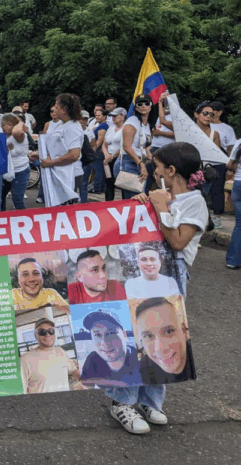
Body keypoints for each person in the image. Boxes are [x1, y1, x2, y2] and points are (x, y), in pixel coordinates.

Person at [106, 141, 208, 435]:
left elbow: (177, 241)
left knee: (164, 337)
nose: (154, 172)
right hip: (142, 274)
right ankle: (122, 401)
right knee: (136, 334)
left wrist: (161, 207)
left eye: (158, 167)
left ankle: (151, 401)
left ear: (171, 170)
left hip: (172, 276)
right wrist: (141, 205)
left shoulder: (194, 202)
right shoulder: (160, 195)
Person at [36, 93, 83, 206]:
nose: (54, 110)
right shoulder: (63, 125)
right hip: (59, 173)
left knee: (64, 210)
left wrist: (51, 162)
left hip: (68, 175)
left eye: (56, 107)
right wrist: (41, 155)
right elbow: (58, 149)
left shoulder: (73, 127)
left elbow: (74, 155)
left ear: (64, 110)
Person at [134, 298, 194, 385]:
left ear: (183, 331)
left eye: (169, 331)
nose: (160, 348)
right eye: (148, 336)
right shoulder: (142, 368)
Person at [79, 310, 140, 386]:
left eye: (111, 333)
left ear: (124, 335)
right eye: (97, 335)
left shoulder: (139, 361)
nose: (104, 343)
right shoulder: (92, 360)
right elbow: (85, 387)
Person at [20, 319, 79, 394]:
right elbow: (21, 390)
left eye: (51, 331)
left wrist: (86, 380)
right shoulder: (25, 359)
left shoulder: (60, 351)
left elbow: (73, 370)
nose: (47, 335)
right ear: (35, 335)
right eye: (42, 332)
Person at [192, 100, 225, 229]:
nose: (208, 117)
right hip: (187, 171)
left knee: (202, 200)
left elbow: (216, 155)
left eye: (211, 115)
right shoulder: (187, 130)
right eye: (205, 113)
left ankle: (199, 229)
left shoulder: (214, 134)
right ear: (196, 114)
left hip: (204, 173)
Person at [117, 93, 153, 200]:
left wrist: (149, 157)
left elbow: (145, 146)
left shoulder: (147, 125)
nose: (143, 106)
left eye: (146, 103)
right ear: (136, 107)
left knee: (137, 198)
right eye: (140, 104)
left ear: (151, 106)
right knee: (137, 198)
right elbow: (126, 146)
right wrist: (141, 164)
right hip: (129, 162)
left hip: (140, 162)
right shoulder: (132, 121)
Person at [145, 92, 175, 193]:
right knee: (149, 171)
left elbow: (177, 134)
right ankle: (147, 193)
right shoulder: (160, 116)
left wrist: (160, 133)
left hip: (166, 148)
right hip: (155, 147)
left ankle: (161, 193)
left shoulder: (175, 117)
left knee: (161, 172)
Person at [0, 113, 31, 210]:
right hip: (8, 171)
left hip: (20, 171)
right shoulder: (5, 136)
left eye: (4, 125)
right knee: (0, 197)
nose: (1, 127)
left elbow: (16, 131)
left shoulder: (19, 135)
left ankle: (23, 217)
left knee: (17, 199)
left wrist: (19, 122)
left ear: (11, 124)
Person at [102, 107, 126, 201]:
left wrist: (112, 156)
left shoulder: (126, 129)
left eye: (115, 116)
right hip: (108, 158)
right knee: (109, 182)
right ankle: (108, 203)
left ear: (122, 116)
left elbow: (124, 145)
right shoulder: (110, 129)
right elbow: (104, 144)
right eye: (112, 116)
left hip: (120, 158)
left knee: (123, 184)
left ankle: (124, 204)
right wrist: (106, 155)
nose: (113, 118)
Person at [226, 138, 241, 269]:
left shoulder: (240, 142)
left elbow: (230, 164)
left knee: (239, 225)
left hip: (238, 184)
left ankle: (232, 260)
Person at [89, 105, 108, 195]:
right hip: (98, 150)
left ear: (104, 117)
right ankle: (99, 187)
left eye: (99, 115)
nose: (97, 117)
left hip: (98, 151)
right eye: (96, 115)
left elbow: (100, 140)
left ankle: (97, 187)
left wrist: (93, 150)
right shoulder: (99, 125)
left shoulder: (103, 126)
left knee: (98, 169)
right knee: (98, 169)